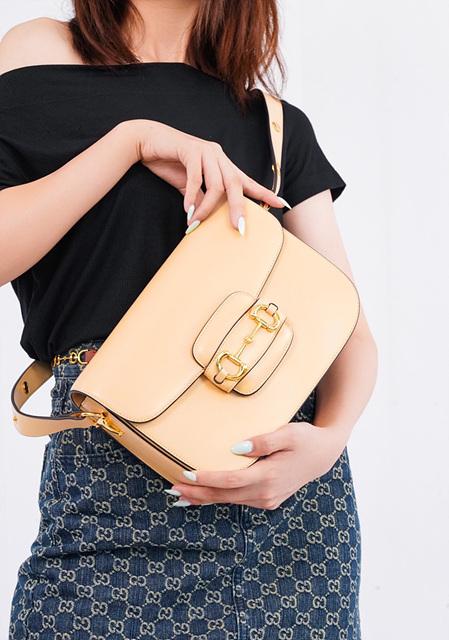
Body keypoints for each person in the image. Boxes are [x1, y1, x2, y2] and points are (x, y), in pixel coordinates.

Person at [0, 1, 378, 638]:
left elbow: (350, 330)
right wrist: (131, 142)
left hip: (285, 512)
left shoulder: (272, 123)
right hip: (104, 485)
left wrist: (329, 441)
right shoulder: (39, 52)